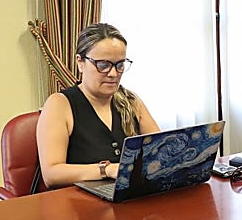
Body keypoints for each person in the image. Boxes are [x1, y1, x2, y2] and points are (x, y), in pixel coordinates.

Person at [36, 23, 159, 188]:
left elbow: (160, 151)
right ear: (80, 62)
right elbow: (52, 174)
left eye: (120, 65)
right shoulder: (59, 104)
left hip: (129, 199)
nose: (113, 74)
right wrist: (106, 170)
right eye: (103, 65)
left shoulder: (131, 101)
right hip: (78, 205)